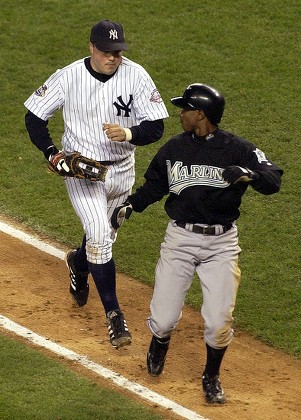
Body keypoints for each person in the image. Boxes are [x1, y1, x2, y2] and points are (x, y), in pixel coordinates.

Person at [111, 83, 283, 403]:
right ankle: (159, 343)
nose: (181, 113)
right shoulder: (174, 149)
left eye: (185, 108)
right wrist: (132, 205)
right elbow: (155, 186)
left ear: (200, 114)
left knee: (219, 322)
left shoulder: (239, 149)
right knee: (162, 321)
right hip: (180, 239)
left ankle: (211, 375)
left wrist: (250, 174)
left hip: (221, 244)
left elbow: (273, 178)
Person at [24, 19, 169, 349]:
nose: (113, 57)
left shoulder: (136, 75)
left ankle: (78, 261)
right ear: (91, 47)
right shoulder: (69, 76)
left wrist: (130, 133)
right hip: (83, 170)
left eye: (118, 52)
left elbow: (157, 126)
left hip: (123, 170)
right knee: (101, 237)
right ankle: (114, 315)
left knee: (101, 240)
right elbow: (34, 116)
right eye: (106, 51)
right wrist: (51, 153)